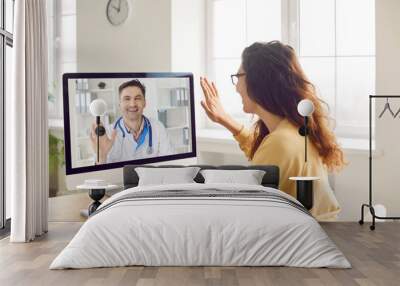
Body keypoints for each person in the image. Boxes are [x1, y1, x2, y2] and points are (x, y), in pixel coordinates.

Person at [200, 41, 345, 220]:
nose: (236, 87)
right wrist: (226, 120)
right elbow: (268, 155)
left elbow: (248, 213)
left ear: (259, 81)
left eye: (238, 77)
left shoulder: (279, 142)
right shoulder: (295, 128)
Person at [90, 79, 174, 163]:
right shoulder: (108, 133)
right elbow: (100, 174)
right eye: (127, 99)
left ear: (144, 103)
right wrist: (101, 157)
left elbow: (170, 163)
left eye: (137, 98)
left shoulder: (158, 128)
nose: (132, 104)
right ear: (120, 104)